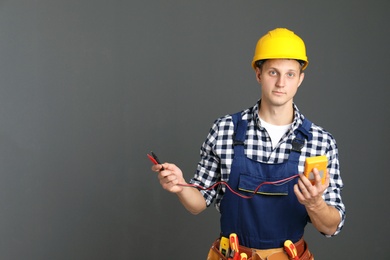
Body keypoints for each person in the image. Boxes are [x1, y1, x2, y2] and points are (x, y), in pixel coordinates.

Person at [151, 28, 345, 260]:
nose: (281, 82)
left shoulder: (320, 142)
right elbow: (199, 203)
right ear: (258, 73)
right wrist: (181, 186)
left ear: (300, 79)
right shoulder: (225, 130)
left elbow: (331, 226)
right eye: (273, 72)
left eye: (290, 74)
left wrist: (315, 204)